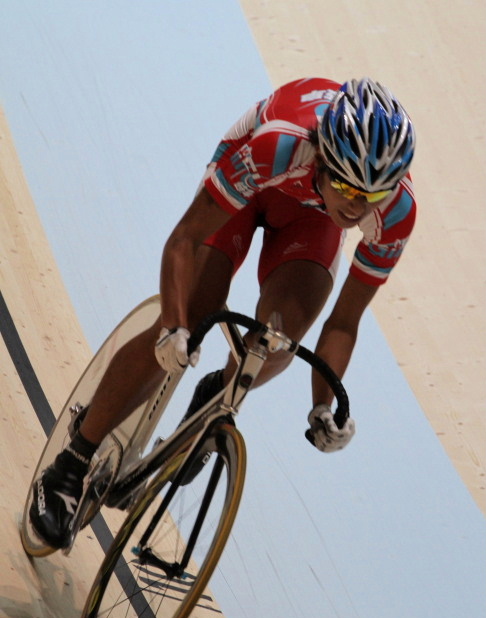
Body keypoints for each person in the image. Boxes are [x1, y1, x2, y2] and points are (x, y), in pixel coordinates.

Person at [30, 77, 416, 549]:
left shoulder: (395, 212)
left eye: (370, 197)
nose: (357, 206)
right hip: (251, 184)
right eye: (346, 186)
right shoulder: (279, 145)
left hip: (310, 219)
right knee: (191, 318)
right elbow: (184, 240)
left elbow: (343, 323)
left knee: (278, 342)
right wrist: (173, 327)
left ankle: (217, 394)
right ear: (324, 159)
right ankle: (70, 464)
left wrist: (324, 405)